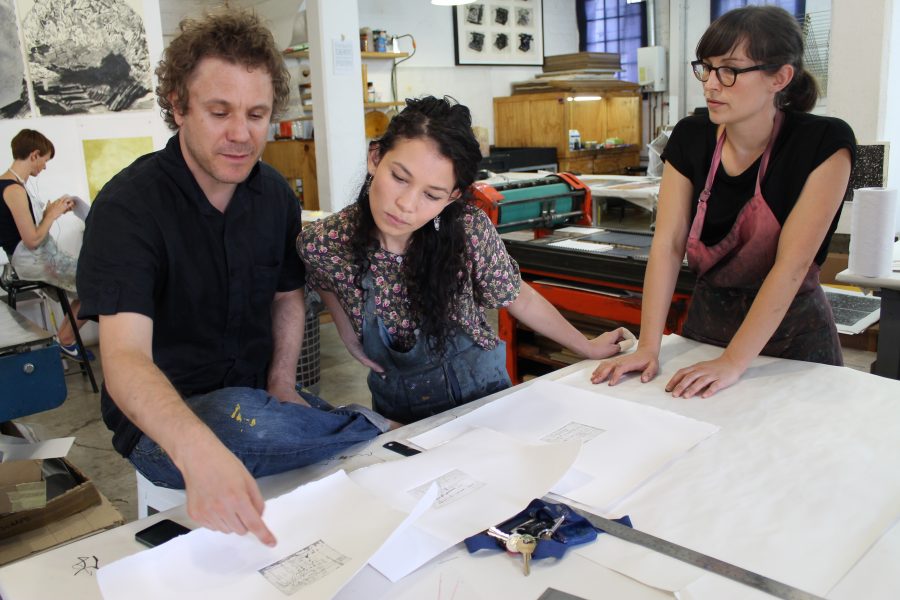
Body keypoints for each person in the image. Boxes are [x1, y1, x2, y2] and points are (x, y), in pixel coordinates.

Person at [76, 10, 388, 547]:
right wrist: (198, 450)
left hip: (256, 399)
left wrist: (283, 383)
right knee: (240, 419)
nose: (241, 135)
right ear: (178, 106)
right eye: (220, 112)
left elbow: (289, 296)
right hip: (163, 424)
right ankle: (374, 432)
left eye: (257, 114)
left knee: (270, 416)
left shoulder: (272, 196)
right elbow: (124, 359)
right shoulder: (129, 207)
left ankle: (360, 434)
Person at [300, 96, 632, 424]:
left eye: (431, 195)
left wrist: (586, 346)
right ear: (375, 157)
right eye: (399, 177)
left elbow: (518, 296)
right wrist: (348, 334)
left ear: (452, 197)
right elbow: (320, 272)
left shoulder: (465, 230)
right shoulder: (327, 243)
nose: (406, 204)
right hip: (396, 409)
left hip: (483, 396)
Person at [592, 6, 855, 398]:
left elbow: (792, 265)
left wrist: (734, 361)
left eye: (730, 70)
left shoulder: (823, 144)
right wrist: (649, 346)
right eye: (707, 68)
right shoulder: (691, 137)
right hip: (708, 333)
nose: (711, 84)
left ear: (779, 77)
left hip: (795, 345)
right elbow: (667, 246)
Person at [0, 129, 92, 361]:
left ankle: (65, 338)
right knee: (99, 283)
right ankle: (66, 340)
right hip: (29, 260)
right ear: (34, 155)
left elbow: (26, 234)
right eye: (44, 160)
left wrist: (47, 214)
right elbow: (31, 240)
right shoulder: (13, 190)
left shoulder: (10, 185)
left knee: (93, 279)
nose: (44, 167)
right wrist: (53, 215)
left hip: (28, 256)